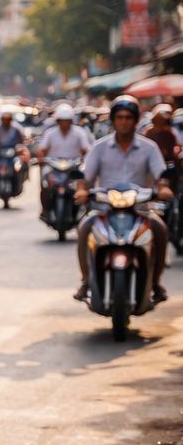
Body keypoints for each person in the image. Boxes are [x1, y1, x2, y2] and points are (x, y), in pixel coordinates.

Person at [74, 95, 172, 302]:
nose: (124, 121)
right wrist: (82, 189)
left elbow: (161, 177)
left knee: (161, 230)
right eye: (119, 117)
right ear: (113, 120)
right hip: (104, 210)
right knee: (84, 228)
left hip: (141, 210)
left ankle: (155, 283)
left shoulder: (149, 147)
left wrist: (163, 189)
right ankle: (85, 281)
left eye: (128, 117)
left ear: (136, 120)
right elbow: (85, 177)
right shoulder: (99, 147)